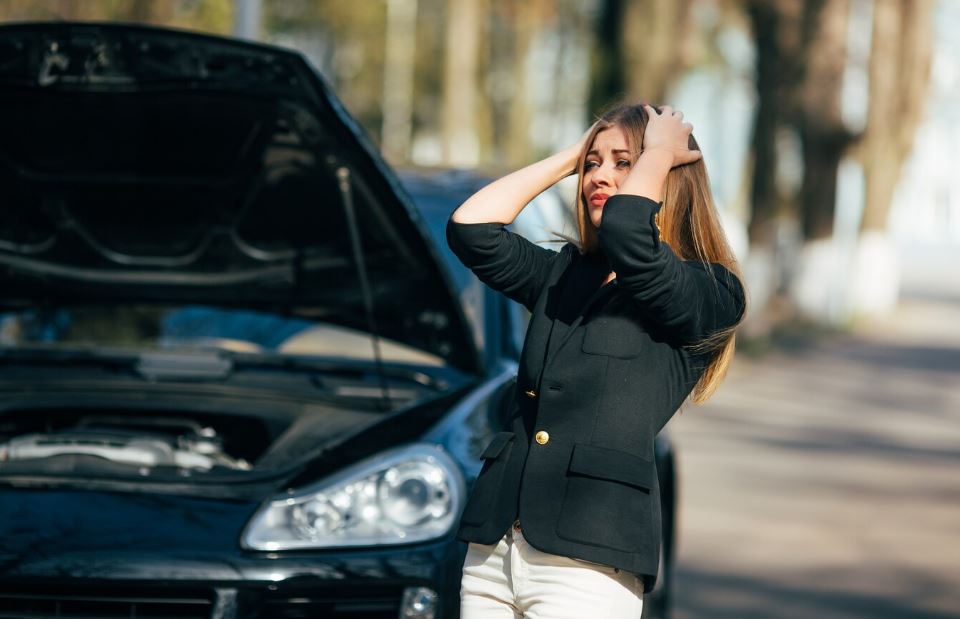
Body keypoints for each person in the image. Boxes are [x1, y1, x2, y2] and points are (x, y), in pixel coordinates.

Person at [445, 101, 747, 618]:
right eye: (594, 164)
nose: (600, 176)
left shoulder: (710, 290)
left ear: (668, 177)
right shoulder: (566, 275)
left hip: (587, 562)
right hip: (495, 551)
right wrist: (573, 155)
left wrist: (658, 152)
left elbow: (632, 237)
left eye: (623, 162)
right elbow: (471, 229)